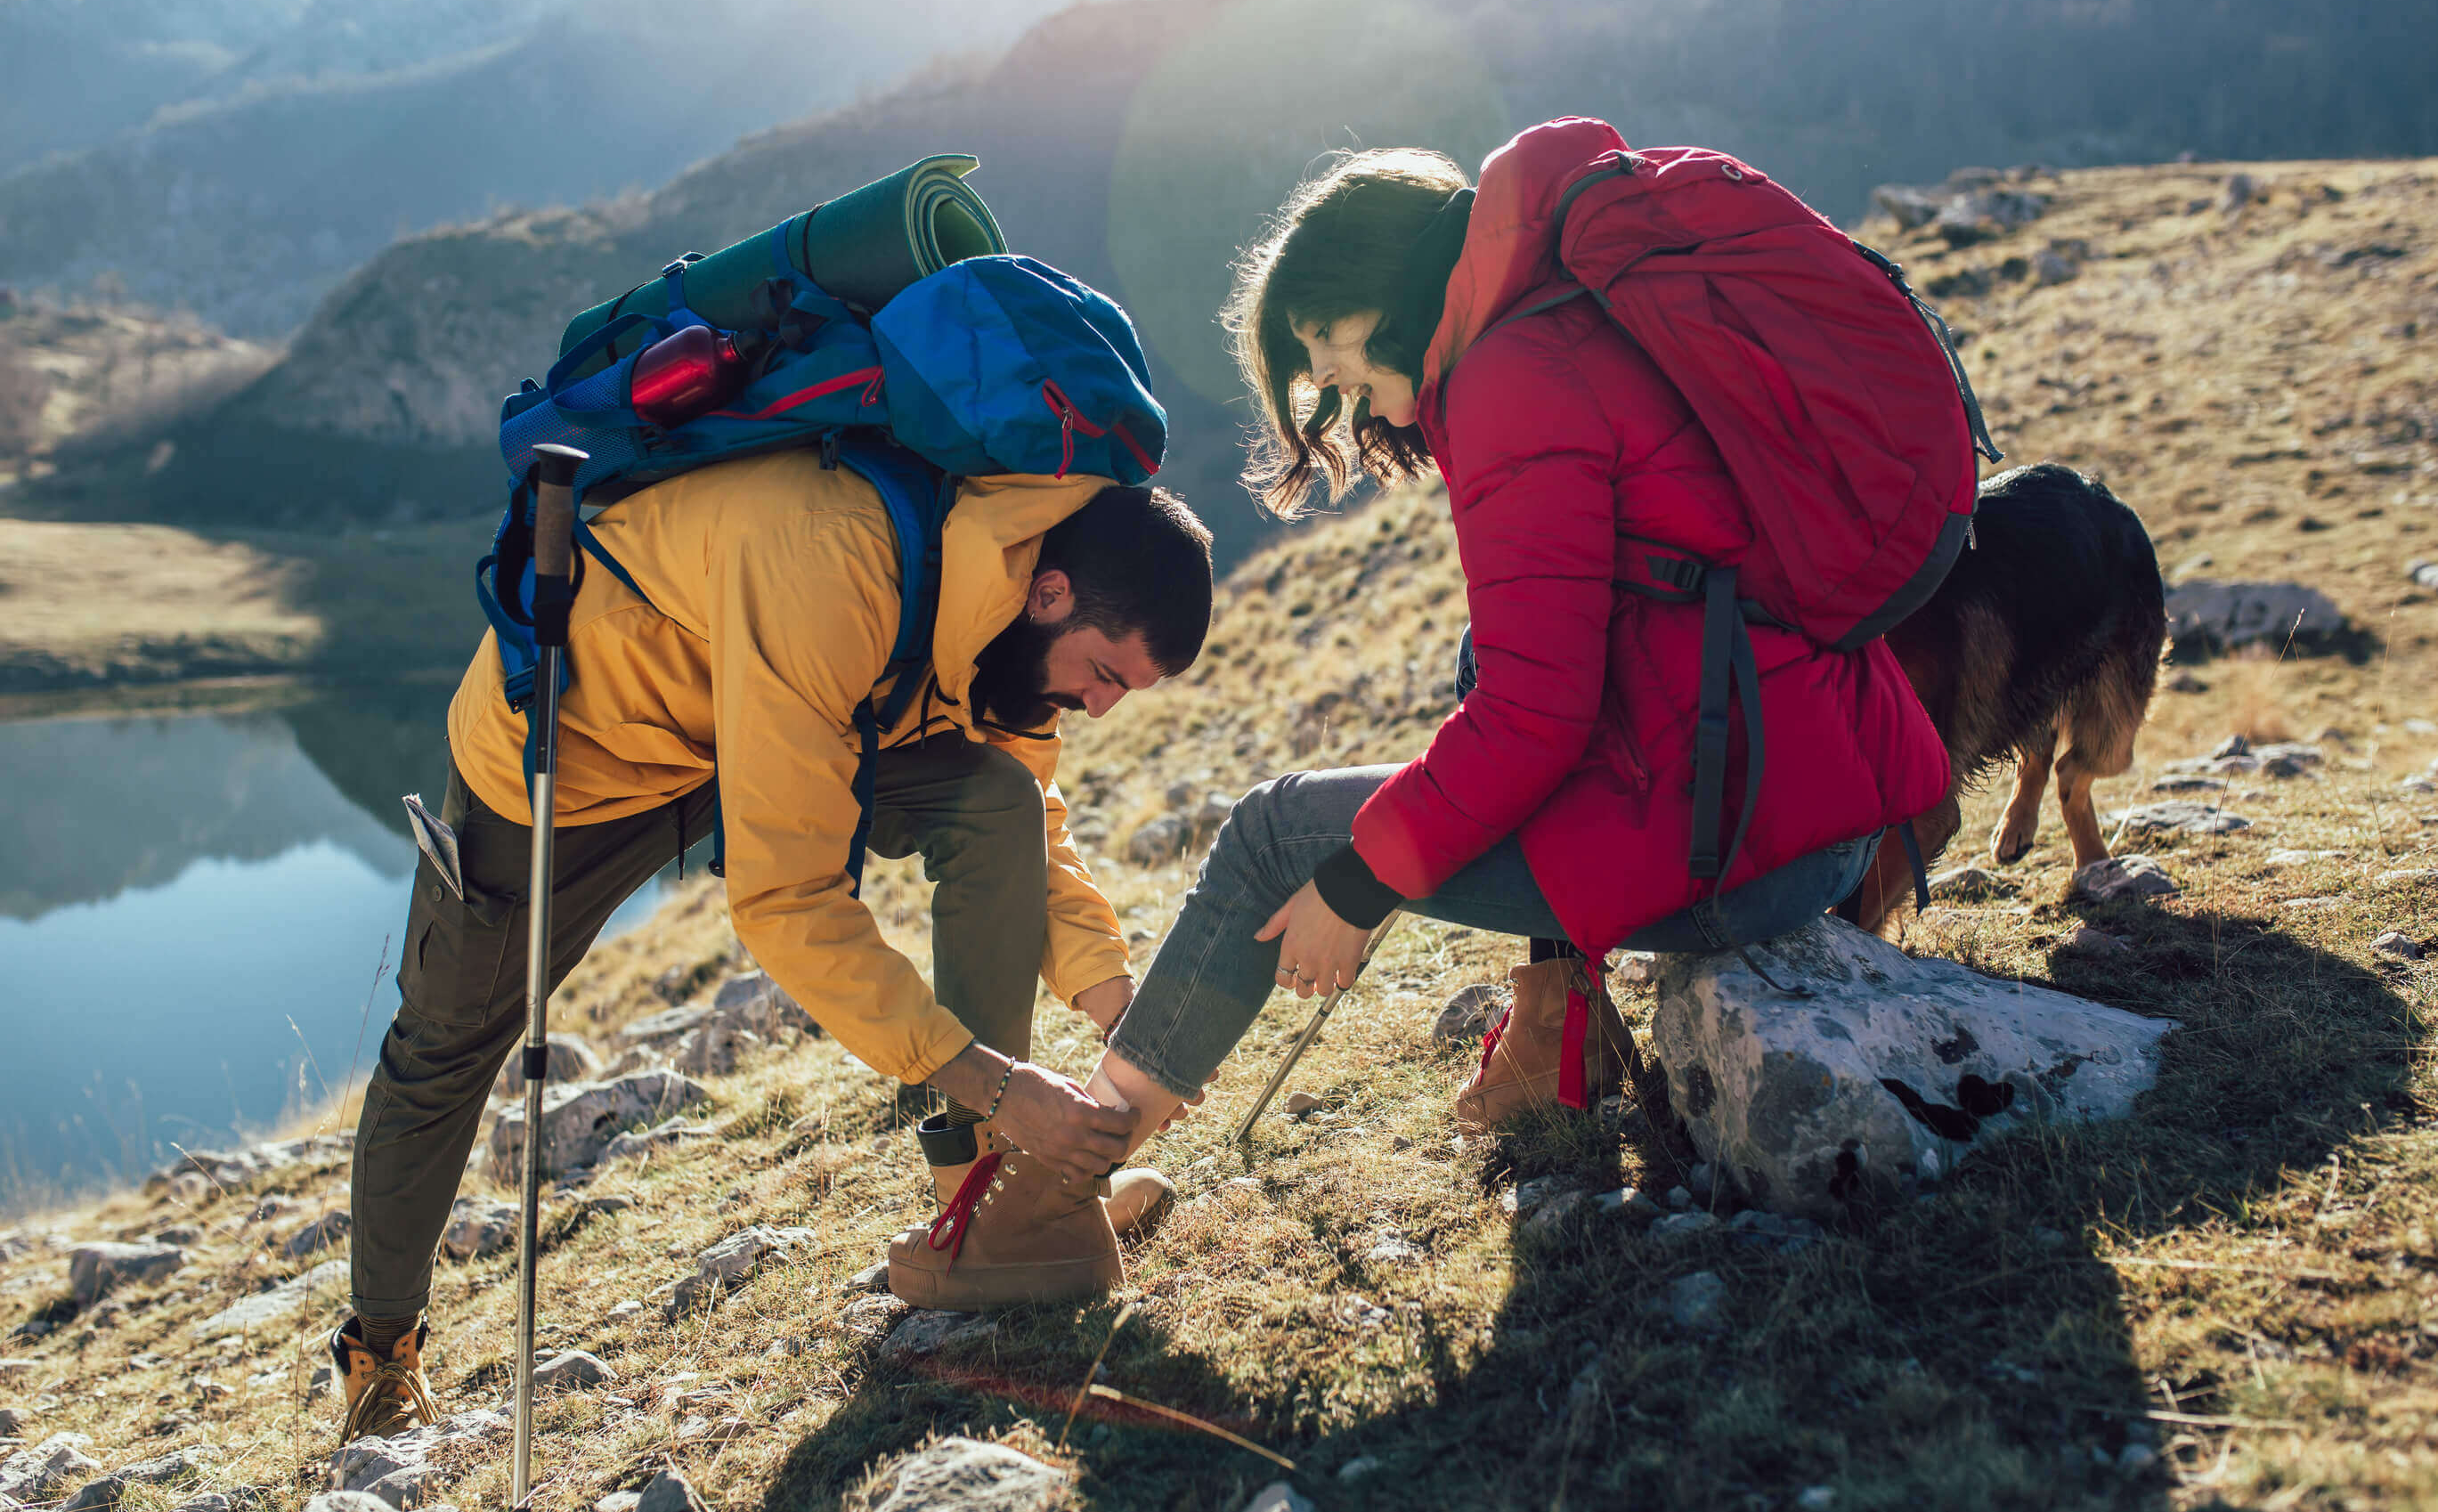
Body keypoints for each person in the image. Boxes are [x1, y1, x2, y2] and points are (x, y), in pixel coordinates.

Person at [891, 119, 1954, 1306]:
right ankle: (1558, 1044)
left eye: (1329, 347)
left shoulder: (1510, 376)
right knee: (1464, 662)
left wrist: (1357, 884)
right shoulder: (1568, 312)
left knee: (1275, 837)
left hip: (1737, 839)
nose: (1336, 386)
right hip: (1800, 788)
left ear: (1388, 293)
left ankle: (1043, 1205)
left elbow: (1536, 718)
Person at [331, 451, 1214, 1438]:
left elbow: (1029, 815)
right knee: (446, 1041)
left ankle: (983, 1215)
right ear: (1050, 593)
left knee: (993, 801)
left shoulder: (994, 611)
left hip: (779, 712)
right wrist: (999, 1081)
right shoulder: (833, 561)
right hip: (580, 750)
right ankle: (382, 1351)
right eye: (1102, 674)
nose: (1099, 708)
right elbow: (786, 898)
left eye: (1122, 692)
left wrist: (1115, 1005)